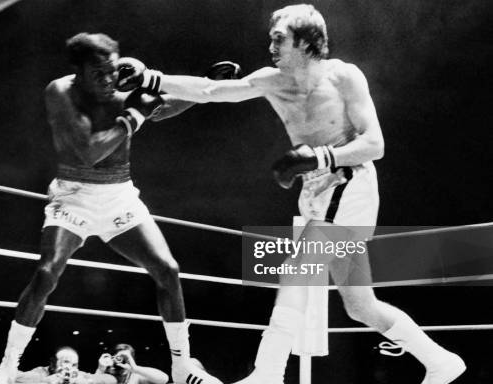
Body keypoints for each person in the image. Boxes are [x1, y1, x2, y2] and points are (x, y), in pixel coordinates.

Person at [116, 4, 466, 384]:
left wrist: (319, 156)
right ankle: (441, 361)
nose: (271, 44)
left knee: (298, 273)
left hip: (349, 185)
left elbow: (375, 144)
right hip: (318, 192)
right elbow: (213, 90)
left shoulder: (344, 77)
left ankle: (267, 374)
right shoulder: (273, 79)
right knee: (360, 306)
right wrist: (152, 79)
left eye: (279, 38)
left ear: (305, 42)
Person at [0, 32, 223, 384]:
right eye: (98, 72)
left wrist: (209, 88)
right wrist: (134, 114)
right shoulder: (61, 92)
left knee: (168, 270)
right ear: (78, 70)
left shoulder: (121, 85)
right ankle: (8, 367)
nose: (108, 79)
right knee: (47, 273)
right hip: (74, 196)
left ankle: (182, 365)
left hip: (119, 196)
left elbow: (162, 108)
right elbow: (89, 151)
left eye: (112, 70)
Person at [15, 346, 115, 384]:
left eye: (74, 364)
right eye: (65, 362)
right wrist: (46, 381)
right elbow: (11, 377)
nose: (69, 368)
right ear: (52, 364)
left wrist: (87, 381)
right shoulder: (41, 373)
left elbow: (112, 380)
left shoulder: (77, 374)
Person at [95, 344, 168, 384]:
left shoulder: (134, 374)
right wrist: (100, 369)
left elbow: (163, 379)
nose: (119, 361)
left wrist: (135, 369)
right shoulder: (105, 373)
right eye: (116, 357)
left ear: (131, 360)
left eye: (124, 358)